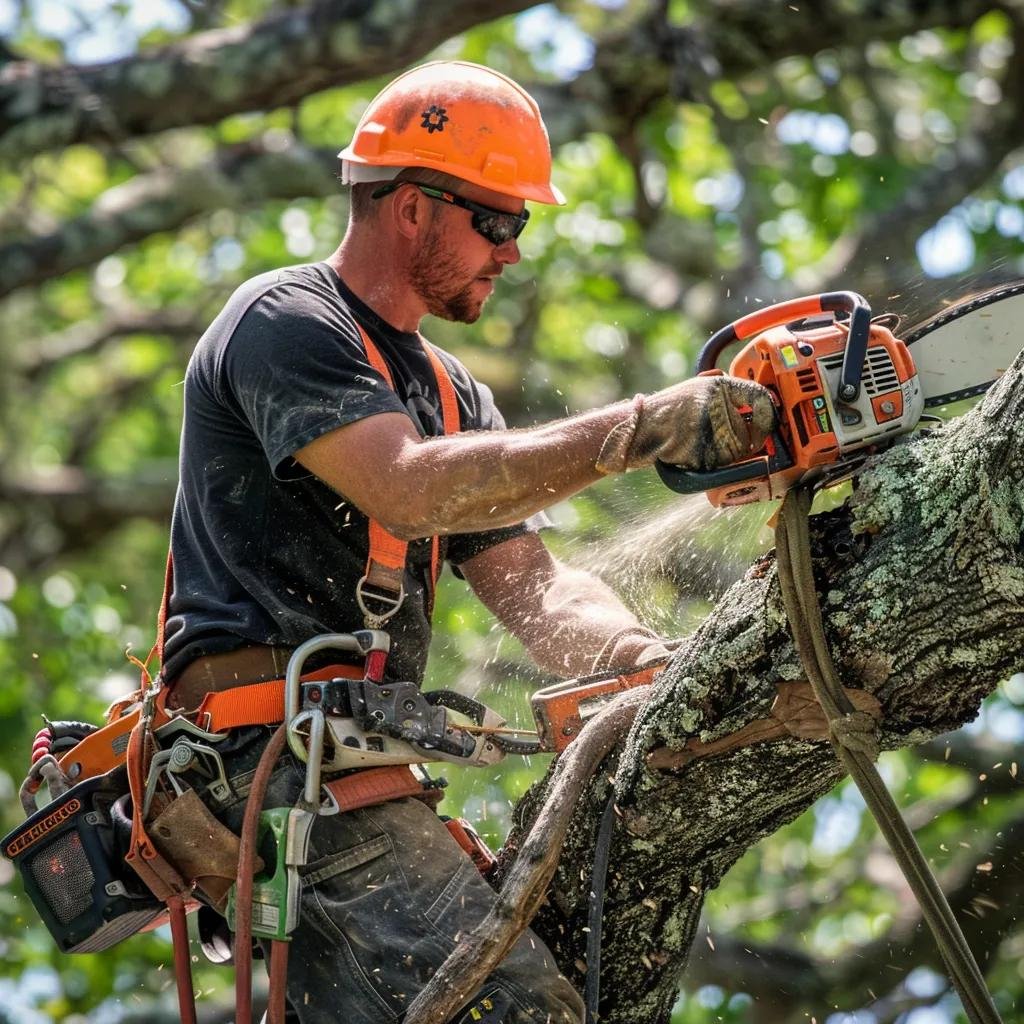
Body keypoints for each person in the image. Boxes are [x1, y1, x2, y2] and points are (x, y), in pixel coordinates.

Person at [161, 60, 773, 1024]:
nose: (513, 254)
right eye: (501, 222)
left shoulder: (450, 392)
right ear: (412, 207)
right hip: (269, 763)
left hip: (352, 771)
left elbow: (534, 584)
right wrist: (646, 427)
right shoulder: (284, 322)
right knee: (519, 1012)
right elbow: (406, 489)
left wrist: (645, 661)